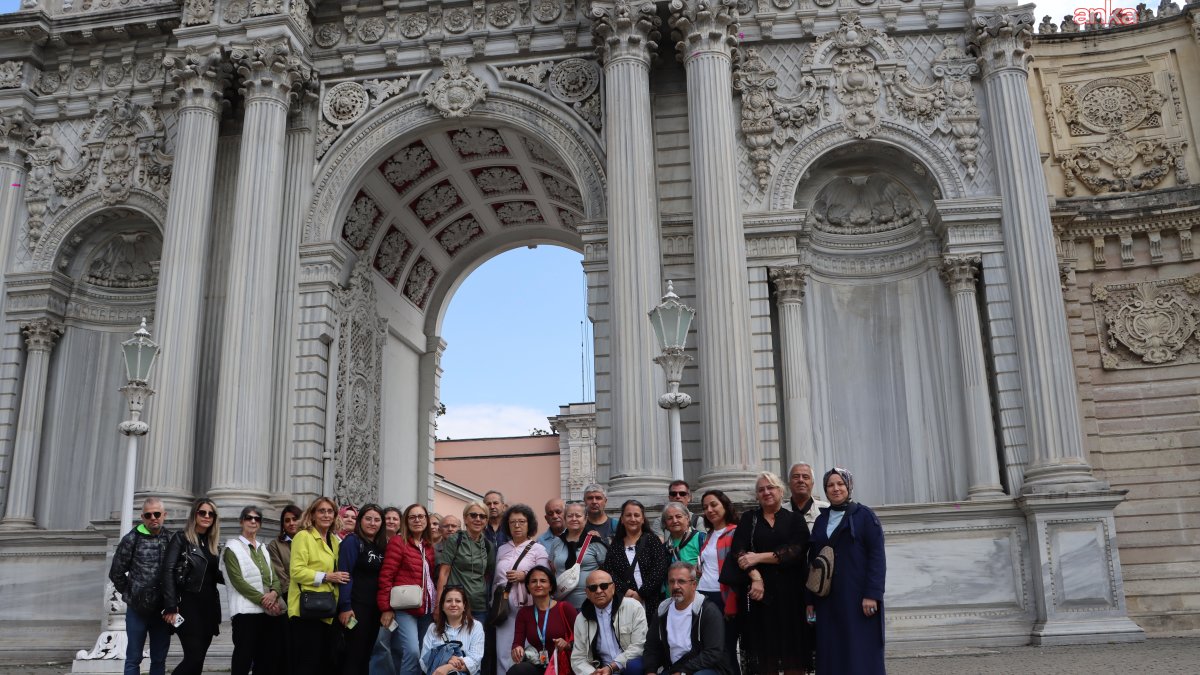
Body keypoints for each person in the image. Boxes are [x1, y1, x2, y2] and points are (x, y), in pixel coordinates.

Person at [720, 472, 810, 675]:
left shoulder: (795, 519)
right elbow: (738, 552)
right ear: (757, 495)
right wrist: (756, 577)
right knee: (763, 658)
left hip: (791, 596)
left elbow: (795, 552)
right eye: (761, 489)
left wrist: (758, 557)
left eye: (771, 487)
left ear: (781, 491)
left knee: (793, 657)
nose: (766, 492)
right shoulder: (749, 519)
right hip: (759, 598)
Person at [806, 467, 886, 675]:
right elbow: (812, 561)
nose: (835, 488)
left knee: (859, 651)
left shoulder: (865, 516)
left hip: (857, 597)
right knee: (831, 651)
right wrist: (810, 601)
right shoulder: (821, 520)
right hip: (827, 600)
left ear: (849, 486)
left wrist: (872, 594)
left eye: (840, 484)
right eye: (830, 485)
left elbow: (877, 557)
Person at [161, 498, 224, 675]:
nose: (206, 516)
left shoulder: (212, 543)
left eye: (211, 514)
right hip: (188, 605)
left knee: (199, 661)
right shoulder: (181, 539)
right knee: (193, 657)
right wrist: (170, 605)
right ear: (194, 514)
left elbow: (214, 575)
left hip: (209, 607)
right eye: (202, 512)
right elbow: (168, 571)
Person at [110, 497, 172, 675]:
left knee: (159, 659)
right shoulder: (131, 539)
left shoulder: (171, 538)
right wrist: (132, 592)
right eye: (148, 514)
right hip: (137, 610)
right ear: (143, 517)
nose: (153, 517)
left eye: (157, 514)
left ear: (164, 515)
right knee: (133, 658)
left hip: (162, 611)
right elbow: (116, 572)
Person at [376, 503, 438, 675]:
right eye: (412, 517)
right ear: (406, 521)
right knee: (412, 651)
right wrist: (386, 608)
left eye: (421, 516)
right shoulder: (398, 542)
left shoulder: (428, 546)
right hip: (405, 608)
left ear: (426, 519)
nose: (417, 520)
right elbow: (386, 576)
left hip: (427, 609)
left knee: (423, 654)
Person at [290, 497, 349, 675]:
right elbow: (296, 571)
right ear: (312, 515)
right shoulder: (303, 536)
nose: (326, 515)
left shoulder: (334, 540)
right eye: (321, 511)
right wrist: (326, 577)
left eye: (330, 511)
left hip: (328, 610)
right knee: (308, 663)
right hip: (307, 609)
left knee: (326, 662)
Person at [224, 505, 283, 675]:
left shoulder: (263, 548)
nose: (253, 521)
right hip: (245, 613)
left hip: (266, 613)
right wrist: (264, 600)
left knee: (264, 659)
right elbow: (238, 581)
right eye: (249, 518)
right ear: (241, 521)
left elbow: (275, 578)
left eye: (257, 519)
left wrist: (273, 593)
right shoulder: (231, 548)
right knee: (243, 658)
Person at [493, 504, 550, 675]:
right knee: (503, 650)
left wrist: (524, 576)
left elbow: (544, 575)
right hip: (504, 606)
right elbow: (496, 579)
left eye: (521, 522)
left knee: (526, 648)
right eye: (513, 522)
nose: (517, 526)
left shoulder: (538, 548)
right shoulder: (502, 548)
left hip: (528, 604)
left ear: (529, 524)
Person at [643, 562, 729, 675]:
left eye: (681, 581)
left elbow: (713, 652)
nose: (675, 586)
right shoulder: (662, 610)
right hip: (673, 669)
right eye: (671, 581)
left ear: (694, 585)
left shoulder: (708, 611)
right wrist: (650, 671)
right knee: (634, 666)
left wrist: (683, 672)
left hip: (702, 669)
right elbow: (651, 646)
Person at [339, 504, 387, 675]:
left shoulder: (381, 546)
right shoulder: (352, 541)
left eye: (377, 520)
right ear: (360, 521)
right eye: (368, 519)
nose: (372, 523)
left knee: (367, 654)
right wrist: (345, 606)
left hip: (374, 610)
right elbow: (345, 575)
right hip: (355, 609)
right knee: (353, 654)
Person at [571, 570, 647, 675]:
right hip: (600, 670)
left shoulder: (633, 607)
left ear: (613, 588)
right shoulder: (581, 618)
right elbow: (578, 658)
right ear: (587, 593)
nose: (598, 591)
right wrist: (592, 673)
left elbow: (639, 645)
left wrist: (612, 667)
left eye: (604, 586)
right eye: (593, 588)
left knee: (634, 667)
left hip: (628, 666)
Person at [696, 491, 739, 675]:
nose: (709, 510)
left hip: (722, 596)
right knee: (710, 648)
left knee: (726, 648)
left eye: (714, 505)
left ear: (725, 505)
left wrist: (731, 603)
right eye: (705, 507)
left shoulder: (735, 532)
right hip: (703, 596)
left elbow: (738, 571)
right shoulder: (709, 534)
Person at [602, 500, 670, 615]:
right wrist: (626, 591)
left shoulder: (652, 540)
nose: (632, 519)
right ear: (622, 519)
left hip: (652, 601)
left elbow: (660, 569)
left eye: (637, 515)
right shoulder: (616, 545)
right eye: (628, 515)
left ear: (643, 519)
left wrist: (642, 593)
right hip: (625, 602)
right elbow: (609, 571)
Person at [508, 566, 578, 675]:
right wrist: (517, 649)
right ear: (528, 586)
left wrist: (567, 645)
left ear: (551, 586)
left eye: (543, 581)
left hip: (564, 664)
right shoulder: (524, 613)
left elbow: (583, 641)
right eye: (533, 581)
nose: (538, 585)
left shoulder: (565, 608)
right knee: (517, 671)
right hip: (538, 663)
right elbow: (517, 641)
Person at [435, 502, 495, 627]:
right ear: (465, 518)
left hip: (479, 606)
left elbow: (488, 574)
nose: (478, 519)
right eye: (473, 515)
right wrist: (438, 605)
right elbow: (444, 573)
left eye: (482, 516)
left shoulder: (488, 545)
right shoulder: (455, 540)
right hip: (455, 605)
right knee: (454, 644)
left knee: (476, 645)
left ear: (486, 521)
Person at [545, 501, 607, 609]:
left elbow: (607, 570)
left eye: (578, 516)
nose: (574, 519)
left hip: (590, 605)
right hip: (561, 605)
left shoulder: (595, 542)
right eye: (570, 516)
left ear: (585, 519)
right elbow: (553, 569)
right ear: (564, 518)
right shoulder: (557, 542)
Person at [419, 586, 485, 675]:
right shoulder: (433, 628)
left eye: (458, 601)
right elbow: (424, 661)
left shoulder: (475, 626)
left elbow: (475, 660)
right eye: (449, 601)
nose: (453, 604)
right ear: (442, 606)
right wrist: (447, 659)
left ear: (464, 605)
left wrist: (448, 667)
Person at [267, 504, 301, 671]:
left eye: (295, 519)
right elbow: (280, 573)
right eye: (287, 520)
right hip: (290, 598)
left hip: (312, 597)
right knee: (289, 643)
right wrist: (297, 593)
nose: (291, 523)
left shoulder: (309, 540)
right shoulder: (275, 545)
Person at [787, 462, 829, 533]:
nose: (801, 480)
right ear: (789, 483)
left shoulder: (826, 510)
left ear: (812, 483)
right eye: (796, 477)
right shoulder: (779, 512)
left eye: (805, 477)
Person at [662, 503, 705, 568]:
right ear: (665, 523)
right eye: (670, 518)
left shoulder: (701, 539)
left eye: (678, 516)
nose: (674, 521)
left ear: (687, 519)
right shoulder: (665, 548)